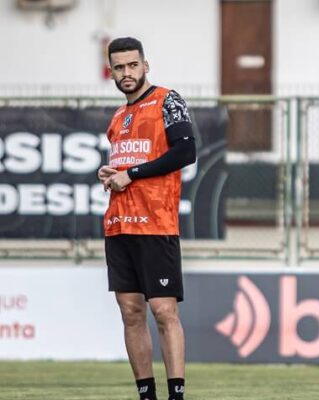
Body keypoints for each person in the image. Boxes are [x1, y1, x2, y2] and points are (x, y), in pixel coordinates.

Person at [97, 37, 195, 400]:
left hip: (156, 223)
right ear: (112, 72)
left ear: (145, 65)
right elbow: (125, 168)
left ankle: (176, 394)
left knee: (163, 310)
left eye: (132, 65)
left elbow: (186, 150)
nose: (127, 73)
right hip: (119, 224)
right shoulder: (118, 116)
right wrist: (110, 173)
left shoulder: (167, 100)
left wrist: (132, 173)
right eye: (119, 67)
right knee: (130, 311)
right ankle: (146, 395)